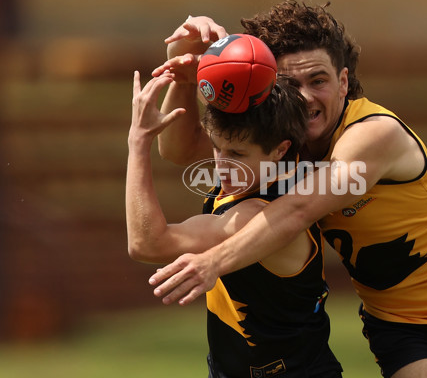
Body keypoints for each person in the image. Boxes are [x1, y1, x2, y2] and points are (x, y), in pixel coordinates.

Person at [149, 0, 427, 378]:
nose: (305, 97)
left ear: (344, 82)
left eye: (318, 80)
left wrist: (214, 261)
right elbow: (178, 151)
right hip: (398, 322)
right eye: (290, 83)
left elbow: (299, 208)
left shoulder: (373, 133)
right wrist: (185, 76)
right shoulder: (282, 139)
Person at [126, 71, 343, 377]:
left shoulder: (255, 214)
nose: (222, 165)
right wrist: (191, 65)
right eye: (217, 148)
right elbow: (177, 149)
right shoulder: (264, 168)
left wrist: (138, 141)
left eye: (237, 154)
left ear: (280, 149)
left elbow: (146, 243)